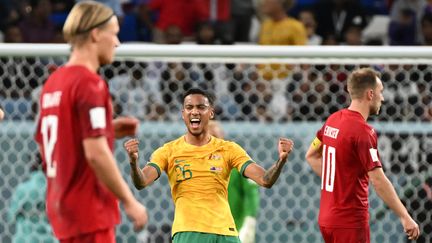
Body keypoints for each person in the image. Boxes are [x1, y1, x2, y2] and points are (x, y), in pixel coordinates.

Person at [34, 1, 147, 242]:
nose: (117, 43)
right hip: (89, 208)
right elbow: (96, 154)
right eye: (114, 34)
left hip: (61, 203)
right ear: (96, 34)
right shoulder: (90, 84)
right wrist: (129, 201)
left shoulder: (54, 82)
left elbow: (51, 141)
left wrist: (106, 130)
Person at [123, 88, 294, 243]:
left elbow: (265, 180)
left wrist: (281, 161)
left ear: (210, 113)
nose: (194, 111)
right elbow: (142, 181)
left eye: (201, 107)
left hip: (226, 232)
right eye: (189, 107)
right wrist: (133, 162)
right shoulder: (168, 151)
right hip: (190, 231)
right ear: (183, 114)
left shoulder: (229, 149)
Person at [305, 67, 420, 243]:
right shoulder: (363, 132)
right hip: (350, 222)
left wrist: (340, 181)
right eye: (381, 92)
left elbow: (311, 155)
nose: (383, 97)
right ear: (370, 94)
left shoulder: (333, 120)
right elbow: (378, 180)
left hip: (327, 219)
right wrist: (405, 216)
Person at [208, 120, 260, 243]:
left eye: (214, 136)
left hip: (235, 229)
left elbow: (251, 193)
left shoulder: (236, 162)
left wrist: (249, 221)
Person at [8, 153, 58, 243]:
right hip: (49, 238)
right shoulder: (56, 190)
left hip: (25, 238)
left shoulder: (23, 189)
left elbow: (10, 217)